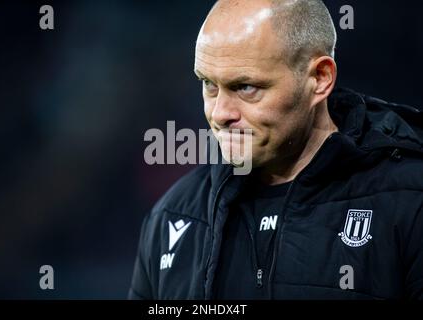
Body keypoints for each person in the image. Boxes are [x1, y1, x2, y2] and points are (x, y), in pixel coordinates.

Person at [128, 0, 423, 299]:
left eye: (245, 87)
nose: (219, 113)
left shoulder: (410, 202)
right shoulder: (175, 213)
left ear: (319, 78)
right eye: (208, 84)